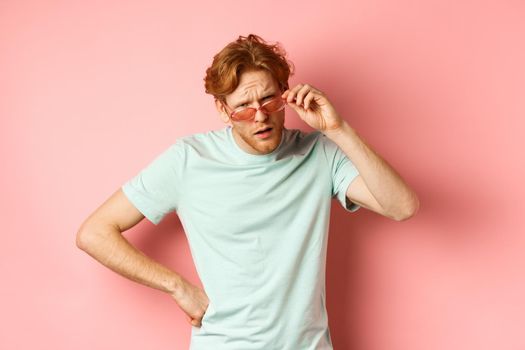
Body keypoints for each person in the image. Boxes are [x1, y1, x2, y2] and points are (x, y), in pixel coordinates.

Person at [76, 34, 419, 350]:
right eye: (244, 106)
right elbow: (94, 232)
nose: (260, 117)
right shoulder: (189, 159)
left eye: (269, 100)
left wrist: (339, 130)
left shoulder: (320, 152)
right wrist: (177, 286)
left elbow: (401, 206)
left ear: (286, 93)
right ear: (223, 110)